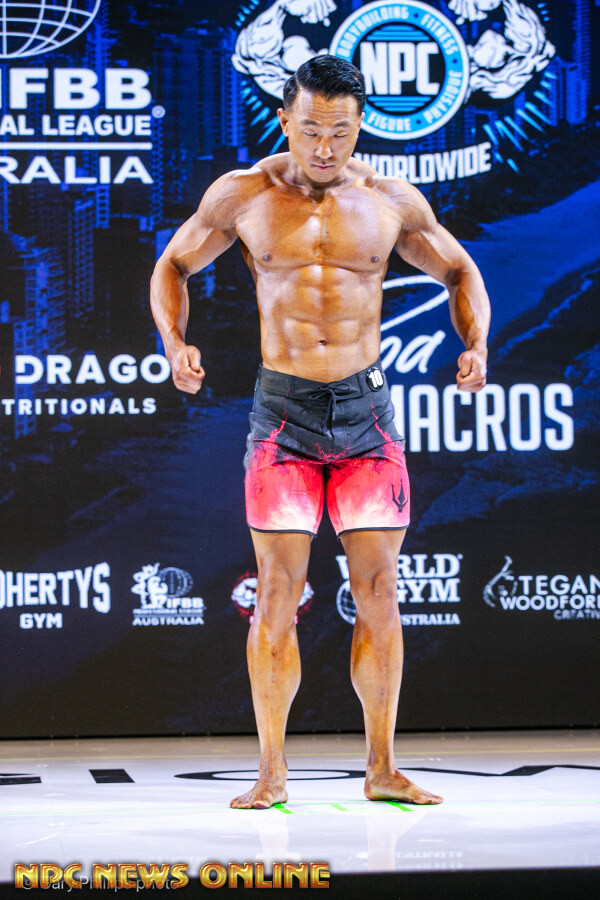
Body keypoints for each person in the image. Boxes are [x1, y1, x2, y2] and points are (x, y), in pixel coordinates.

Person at [150, 55, 490, 810]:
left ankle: (383, 768)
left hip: (367, 418)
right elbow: (173, 265)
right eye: (310, 130)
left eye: (340, 131)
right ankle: (271, 772)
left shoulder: (391, 201)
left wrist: (476, 343)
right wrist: (174, 343)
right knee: (277, 592)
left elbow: (460, 271)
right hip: (283, 417)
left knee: (378, 592)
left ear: (360, 125)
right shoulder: (244, 194)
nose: (325, 146)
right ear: (285, 120)